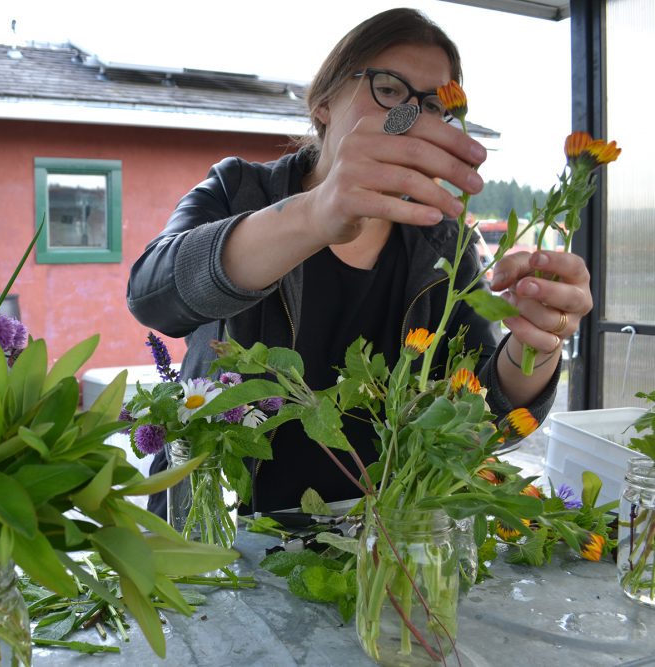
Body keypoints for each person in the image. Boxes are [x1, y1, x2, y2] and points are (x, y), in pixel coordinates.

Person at [126, 8, 593, 515]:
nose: (411, 117)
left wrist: (536, 343)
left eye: (435, 105)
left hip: (376, 542)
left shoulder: (440, 239)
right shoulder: (239, 189)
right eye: (389, 90)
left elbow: (483, 418)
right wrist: (314, 214)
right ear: (323, 102)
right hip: (219, 532)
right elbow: (154, 297)